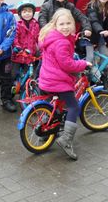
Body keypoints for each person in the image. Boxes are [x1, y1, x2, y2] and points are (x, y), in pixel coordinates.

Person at [37, 9, 91, 161]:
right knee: (73, 106)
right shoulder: (62, 42)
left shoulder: (50, 36)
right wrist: (83, 64)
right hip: (58, 82)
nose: (66, 27)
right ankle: (66, 140)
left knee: (55, 107)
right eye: (62, 24)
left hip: (46, 79)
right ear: (55, 25)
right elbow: (67, 64)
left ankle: (45, 133)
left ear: (73, 24)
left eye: (68, 23)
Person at [11, 0, 40, 83]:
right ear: (20, 14)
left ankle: (26, 88)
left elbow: (39, 38)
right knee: (13, 74)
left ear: (33, 13)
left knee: (30, 75)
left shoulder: (36, 25)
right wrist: (17, 47)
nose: (27, 13)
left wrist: (42, 48)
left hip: (30, 55)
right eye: (24, 12)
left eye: (29, 11)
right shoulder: (18, 25)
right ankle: (13, 86)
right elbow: (15, 38)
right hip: (18, 55)